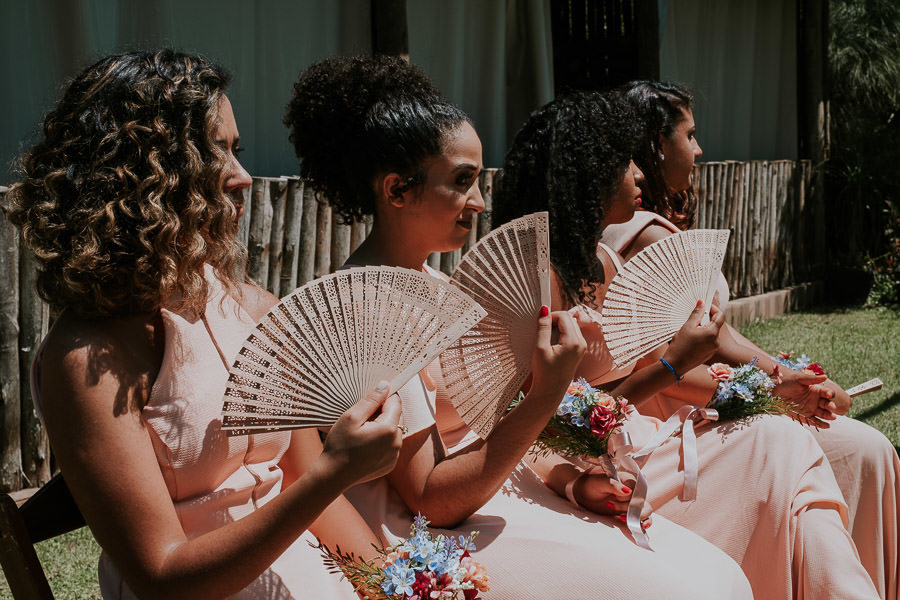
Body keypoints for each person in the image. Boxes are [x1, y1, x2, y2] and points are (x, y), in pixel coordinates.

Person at [284, 54, 755, 599]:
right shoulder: (367, 309)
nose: (481, 201)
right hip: (434, 535)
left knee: (716, 576)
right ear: (396, 190)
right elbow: (431, 497)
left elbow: (495, 426)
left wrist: (571, 481)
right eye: (462, 182)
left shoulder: (436, 291)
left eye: (478, 181)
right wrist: (546, 394)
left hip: (502, 487)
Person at [4, 49, 404, 600]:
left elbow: (316, 495)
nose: (242, 178)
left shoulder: (252, 308)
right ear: (143, 173)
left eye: (235, 151)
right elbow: (162, 576)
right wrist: (332, 473)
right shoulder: (87, 360)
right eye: (215, 153)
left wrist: (399, 586)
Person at [492, 89, 880, 599]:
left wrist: (768, 388)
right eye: (623, 161)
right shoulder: (533, 280)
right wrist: (677, 363)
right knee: (780, 447)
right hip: (587, 461)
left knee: (788, 451)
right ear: (584, 174)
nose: (637, 173)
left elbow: (656, 368)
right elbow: (541, 424)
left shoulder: (602, 265)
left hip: (640, 434)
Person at [604, 80, 900, 599]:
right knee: (864, 448)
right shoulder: (645, 235)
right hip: (682, 408)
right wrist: (782, 385)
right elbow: (705, 346)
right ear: (654, 145)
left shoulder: (647, 228)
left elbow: (722, 335)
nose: (698, 150)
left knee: (866, 449)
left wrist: (791, 377)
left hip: (705, 394)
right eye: (689, 135)